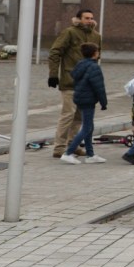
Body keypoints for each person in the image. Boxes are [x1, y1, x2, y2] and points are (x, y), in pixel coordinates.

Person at [48, 9, 102, 159]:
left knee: (79, 116)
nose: (89, 21)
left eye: (91, 18)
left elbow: (96, 58)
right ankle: (59, 147)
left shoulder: (96, 36)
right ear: (78, 19)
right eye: (86, 18)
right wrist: (53, 74)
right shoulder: (69, 32)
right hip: (70, 81)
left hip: (86, 84)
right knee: (68, 115)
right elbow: (55, 52)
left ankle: (73, 144)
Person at [60, 43, 108, 164]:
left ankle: (90, 154)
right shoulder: (94, 67)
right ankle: (68, 153)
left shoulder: (80, 64)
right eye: (97, 51)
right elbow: (99, 87)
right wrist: (103, 102)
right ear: (94, 53)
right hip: (88, 99)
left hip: (80, 98)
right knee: (87, 128)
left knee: (89, 127)